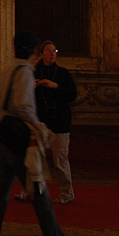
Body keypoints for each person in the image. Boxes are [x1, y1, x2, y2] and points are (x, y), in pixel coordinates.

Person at [0, 30, 78, 236]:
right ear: (34, 51)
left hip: (3, 133)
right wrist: (37, 126)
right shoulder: (24, 71)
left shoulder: (7, 70)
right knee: (37, 186)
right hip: (18, 136)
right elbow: (22, 106)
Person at [34, 39, 77, 203]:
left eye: (55, 51)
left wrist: (56, 86)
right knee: (34, 159)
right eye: (49, 51)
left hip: (60, 122)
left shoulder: (63, 73)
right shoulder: (34, 72)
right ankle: (32, 191)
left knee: (60, 161)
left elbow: (72, 94)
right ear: (41, 54)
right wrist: (33, 86)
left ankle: (67, 192)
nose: (52, 54)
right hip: (40, 123)